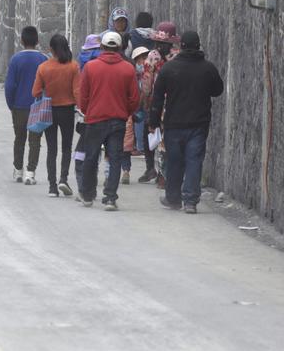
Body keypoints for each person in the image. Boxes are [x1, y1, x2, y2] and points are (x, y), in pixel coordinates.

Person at [149, 31, 224, 214]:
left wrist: (153, 122)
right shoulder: (208, 68)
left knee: (174, 161)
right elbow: (217, 90)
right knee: (194, 161)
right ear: (198, 46)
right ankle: (190, 201)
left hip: (174, 124)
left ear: (181, 46)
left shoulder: (168, 69)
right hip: (198, 124)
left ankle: (173, 198)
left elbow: (157, 97)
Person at [77, 31, 140, 210]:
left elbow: (83, 96)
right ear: (119, 48)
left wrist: (87, 110)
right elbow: (135, 98)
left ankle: (88, 194)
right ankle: (110, 197)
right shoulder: (128, 69)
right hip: (118, 120)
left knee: (91, 157)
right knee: (114, 159)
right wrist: (125, 112)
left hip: (95, 119)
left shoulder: (90, 67)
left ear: (102, 47)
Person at [32, 34, 80, 197]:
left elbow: (35, 91)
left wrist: (47, 90)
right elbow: (77, 91)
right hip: (67, 110)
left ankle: (52, 187)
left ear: (51, 49)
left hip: (48, 110)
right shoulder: (73, 66)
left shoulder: (43, 67)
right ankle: (63, 179)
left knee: (51, 149)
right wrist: (82, 108)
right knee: (67, 147)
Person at [4, 26, 47, 185]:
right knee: (35, 140)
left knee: (19, 138)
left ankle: (18, 171)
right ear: (37, 41)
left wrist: (11, 104)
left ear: (21, 40)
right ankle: (30, 172)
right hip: (37, 106)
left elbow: (9, 86)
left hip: (19, 106)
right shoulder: (43, 59)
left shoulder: (15, 59)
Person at [139, 21, 180, 186]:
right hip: (173, 102)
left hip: (157, 101)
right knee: (167, 138)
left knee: (149, 134)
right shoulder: (177, 56)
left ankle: (152, 169)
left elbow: (147, 84)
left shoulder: (152, 57)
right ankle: (164, 173)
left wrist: (145, 101)